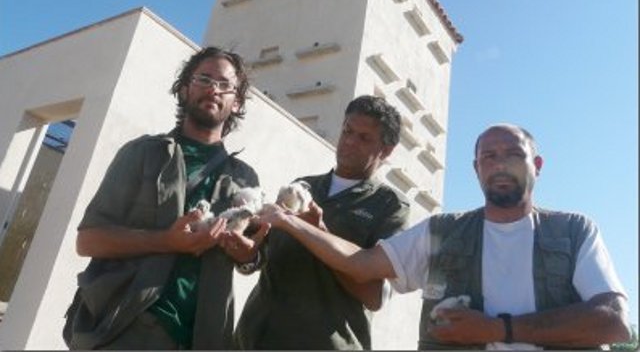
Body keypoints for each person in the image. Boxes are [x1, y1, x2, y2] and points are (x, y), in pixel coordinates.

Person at [257, 123, 631, 349]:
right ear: (476, 169)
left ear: (536, 165)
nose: (499, 163)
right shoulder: (442, 230)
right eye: (488, 156)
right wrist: (292, 223)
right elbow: (361, 265)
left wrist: (498, 330)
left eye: (513, 154)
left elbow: (612, 320)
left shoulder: (574, 230)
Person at [66, 46, 268, 350]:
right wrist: (166, 241)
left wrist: (247, 254)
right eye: (204, 79)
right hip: (127, 328)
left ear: (236, 101)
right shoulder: (142, 153)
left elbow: (250, 258)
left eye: (225, 85)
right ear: (185, 89)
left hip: (204, 338)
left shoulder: (246, 179)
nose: (214, 89)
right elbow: (89, 241)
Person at [234, 95, 411, 350]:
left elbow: (375, 296)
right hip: (255, 340)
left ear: (386, 150)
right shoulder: (301, 187)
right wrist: (245, 255)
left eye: (364, 138)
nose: (349, 141)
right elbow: (260, 257)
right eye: (347, 131)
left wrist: (315, 232)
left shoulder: (390, 205)